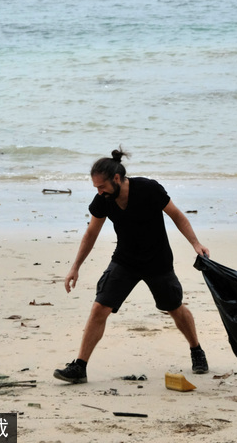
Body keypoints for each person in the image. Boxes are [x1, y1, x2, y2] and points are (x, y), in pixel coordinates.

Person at [54, 149, 210, 384]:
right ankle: (80, 367)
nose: (99, 192)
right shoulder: (103, 201)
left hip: (158, 261)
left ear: (116, 179)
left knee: (174, 307)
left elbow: (176, 215)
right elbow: (91, 233)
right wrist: (75, 266)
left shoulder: (149, 189)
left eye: (101, 186)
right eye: (95, 187)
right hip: (125, 260)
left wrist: (195, 243)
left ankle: (196, 350)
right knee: (100, 308)